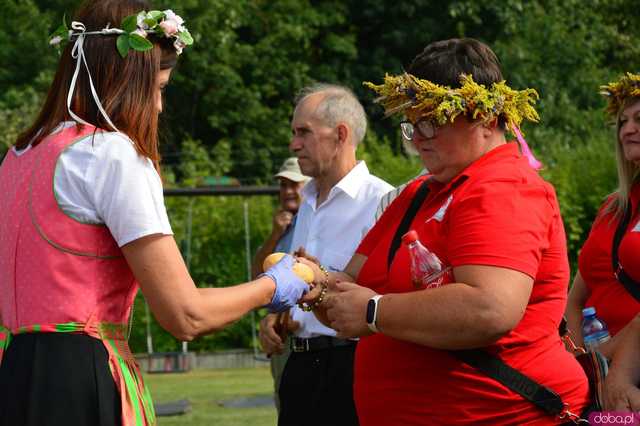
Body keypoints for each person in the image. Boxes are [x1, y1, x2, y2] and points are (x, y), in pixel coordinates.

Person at [0, 2, 311, 425]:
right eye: (160, 88)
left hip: (12, 370)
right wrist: (277, 283)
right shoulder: (109, 154)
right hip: (79, 379)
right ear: (124, 78)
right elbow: (186, 315)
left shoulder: (17, 157)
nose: (160, 106)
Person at [299, 38, 590, 425]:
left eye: (432, 122)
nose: (418, 137)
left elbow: (490, 308)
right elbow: (352, 279)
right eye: (412, 124)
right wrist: (313, 283)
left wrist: (374, 310)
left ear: (486, 118)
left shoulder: (504, 186)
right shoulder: (419, 193)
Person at [259, 83, 392, 426]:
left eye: (303, 132)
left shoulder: (382, 202)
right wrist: (277, 317)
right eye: (293, 132)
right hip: (300, 367)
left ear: (341, 134)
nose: (293, 144)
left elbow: (384, 297)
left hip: (351, 368)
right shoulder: (307, 203)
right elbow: (303, 282)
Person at [566, 72, 640, 358]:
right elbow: (575, 300)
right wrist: (579, 361)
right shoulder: (612, 207)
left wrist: (613, 360)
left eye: (638, 120)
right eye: (623, 122)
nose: (627, 130)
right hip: (595, 374)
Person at [253, 157, 310, 412]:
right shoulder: (282, 226)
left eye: (294, 184)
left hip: (311, 336)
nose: (287, 191)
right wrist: (275, 233)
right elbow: (256, 274)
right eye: (283, 185)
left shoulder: (313, 221)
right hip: (283, 339)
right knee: (286, 404)